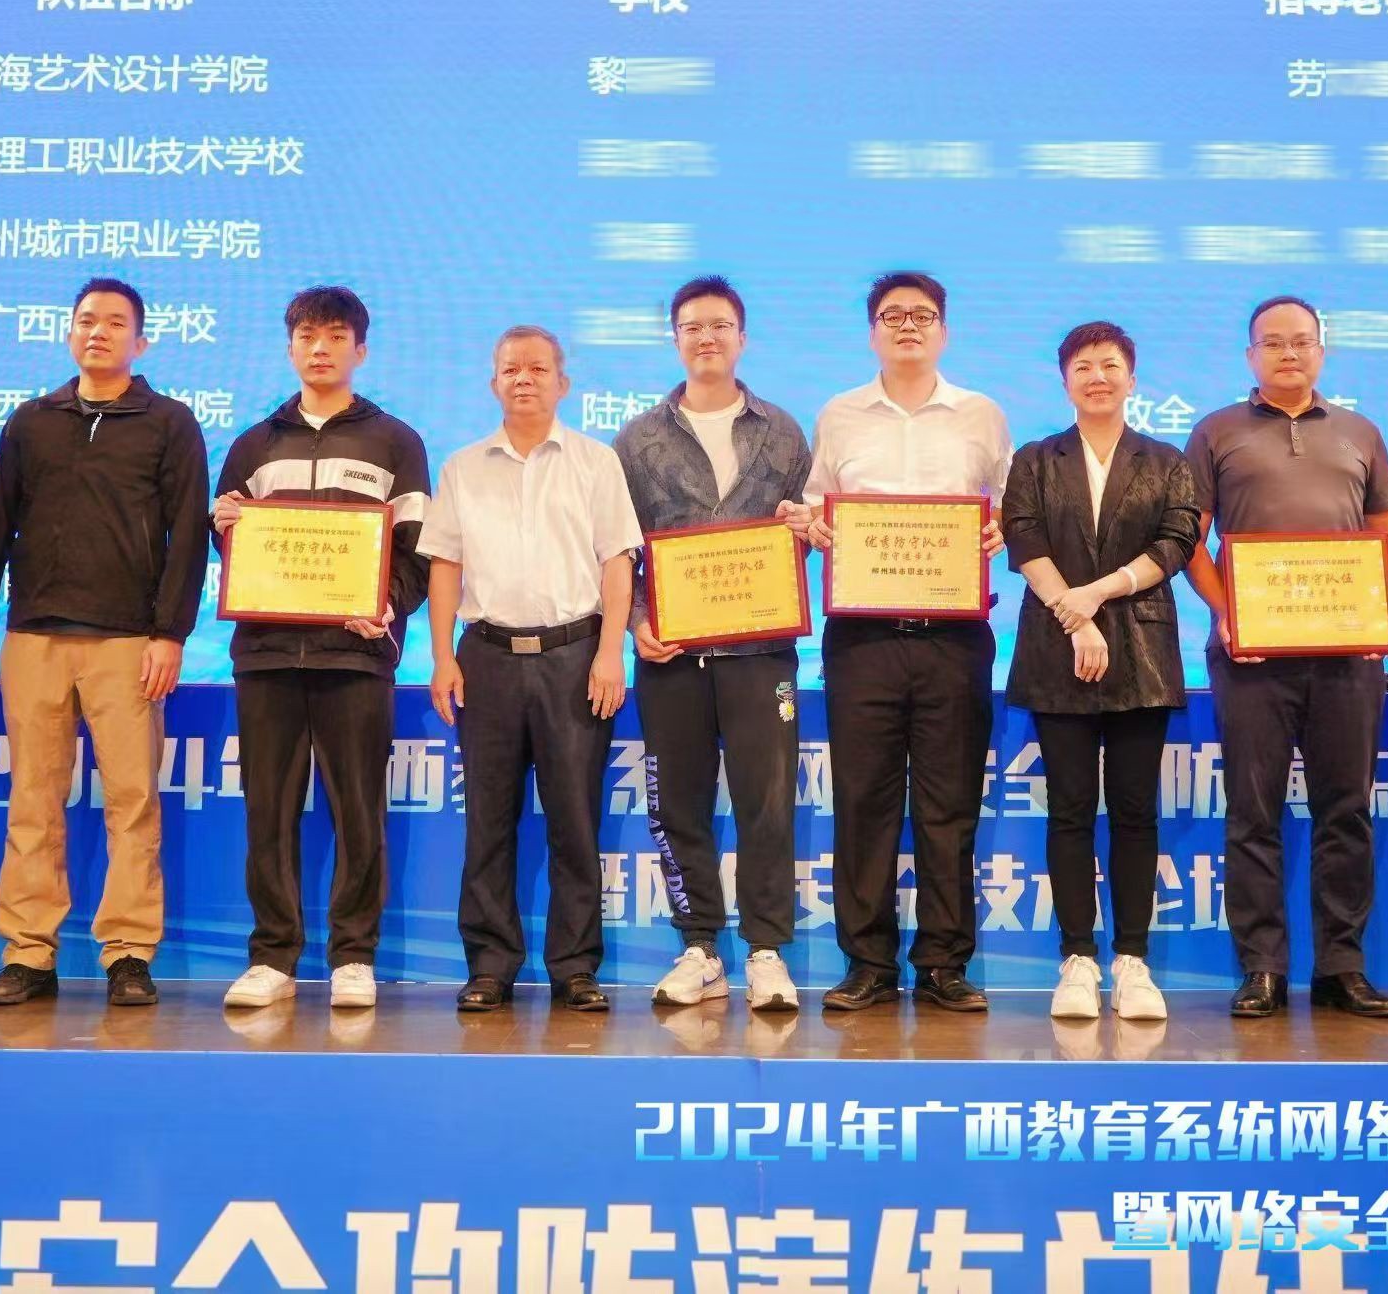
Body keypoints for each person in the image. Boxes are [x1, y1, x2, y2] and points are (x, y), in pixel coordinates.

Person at [0, 278, 209, 1010]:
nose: (98, 332)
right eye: (87, 320)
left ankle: (128, 951)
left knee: (133, 801)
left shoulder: (169, 423)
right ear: (68, 333)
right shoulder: (33, 421)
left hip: (127, 641)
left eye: (115, 323)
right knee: (33, 800)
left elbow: (188, 534)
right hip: (34, 635)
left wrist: (170, 633)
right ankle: (29, 952)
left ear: (142, 341)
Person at [791, 272, 1010, 1013]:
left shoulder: (981, 414)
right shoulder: (839, 414)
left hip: (954, 637)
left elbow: (1011, 506)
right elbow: (817, 509)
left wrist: (1000, 529)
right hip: (862, 640)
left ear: (944, 330)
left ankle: (944, 963)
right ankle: (868, 964)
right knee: (864, 802)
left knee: (950, 805)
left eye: (922, 315)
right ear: (872, 332)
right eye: (893, 316)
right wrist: (815, 527)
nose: (908, 326)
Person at [1183, 295, 1388, 1020]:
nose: (1288, 353)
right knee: (1254, 812)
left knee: (1347, 810)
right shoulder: (1215, 431)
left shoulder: (1360, 432)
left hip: (1346, 654)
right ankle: (1262, 969)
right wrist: (1228, 612)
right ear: (1251, 355)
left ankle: (1342, 967)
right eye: (1272, 342)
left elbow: (1387, 533)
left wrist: (1369, 608)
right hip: (1252, 657)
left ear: (1321, 351)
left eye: (1301, 341)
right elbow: (1189, 539)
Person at [211, 286, 432, 1010]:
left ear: (359, 350)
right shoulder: (253, 445)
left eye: (336, 336)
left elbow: (417, 550)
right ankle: (273, 957)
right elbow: (234, 550)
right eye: (308, 335)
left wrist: (386, 606)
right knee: (267, 811)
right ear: (290, 347)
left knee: (358, 810)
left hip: (356, 657)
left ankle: (353, 956)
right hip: (267, 655)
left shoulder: (395, 442)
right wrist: (224, 526)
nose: (320, 348)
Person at [419, 326, 641, 1012]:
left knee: (574, 819)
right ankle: (491, 965)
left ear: (562, 383)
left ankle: (575, 967)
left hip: (575, 657)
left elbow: (617, 562)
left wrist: (611, 651)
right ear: (493, 383)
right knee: (489, 821)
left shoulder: (595, 462)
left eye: (538, 369)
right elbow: (445, 566)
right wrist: (441, 656)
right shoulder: (462, 467)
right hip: (486, 657)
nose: (524, 379)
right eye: (511, 369)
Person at [613, 276, 814, 1012]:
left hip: (762, 656)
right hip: (672, 658)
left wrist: (804, 532)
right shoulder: (637, 439)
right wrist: (637, 621)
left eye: (720, 325)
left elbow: (806, 539)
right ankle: (699, 947)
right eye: (693, 326)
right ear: (675, 338)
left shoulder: (784, 432)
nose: (707, 337)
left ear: (742, 337)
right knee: (679, 806)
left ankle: (766, 951)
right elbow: (619, 548)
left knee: (768, 804)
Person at [1001, 321, 1203, 1024]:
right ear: (1065, 380)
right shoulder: (1035, 458)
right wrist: (1076, 615)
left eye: (1110, 364)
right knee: (1069, 810)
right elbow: (1023, 538)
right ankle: (1078, 959)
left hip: (1141, 652)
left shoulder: (1166, 459)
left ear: (1132, 379)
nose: (1097, 376)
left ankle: (1132, 962)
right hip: (1058, 650)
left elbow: (1177, 542)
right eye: (1083, 366)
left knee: (1136, 811)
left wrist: (1098, 593)